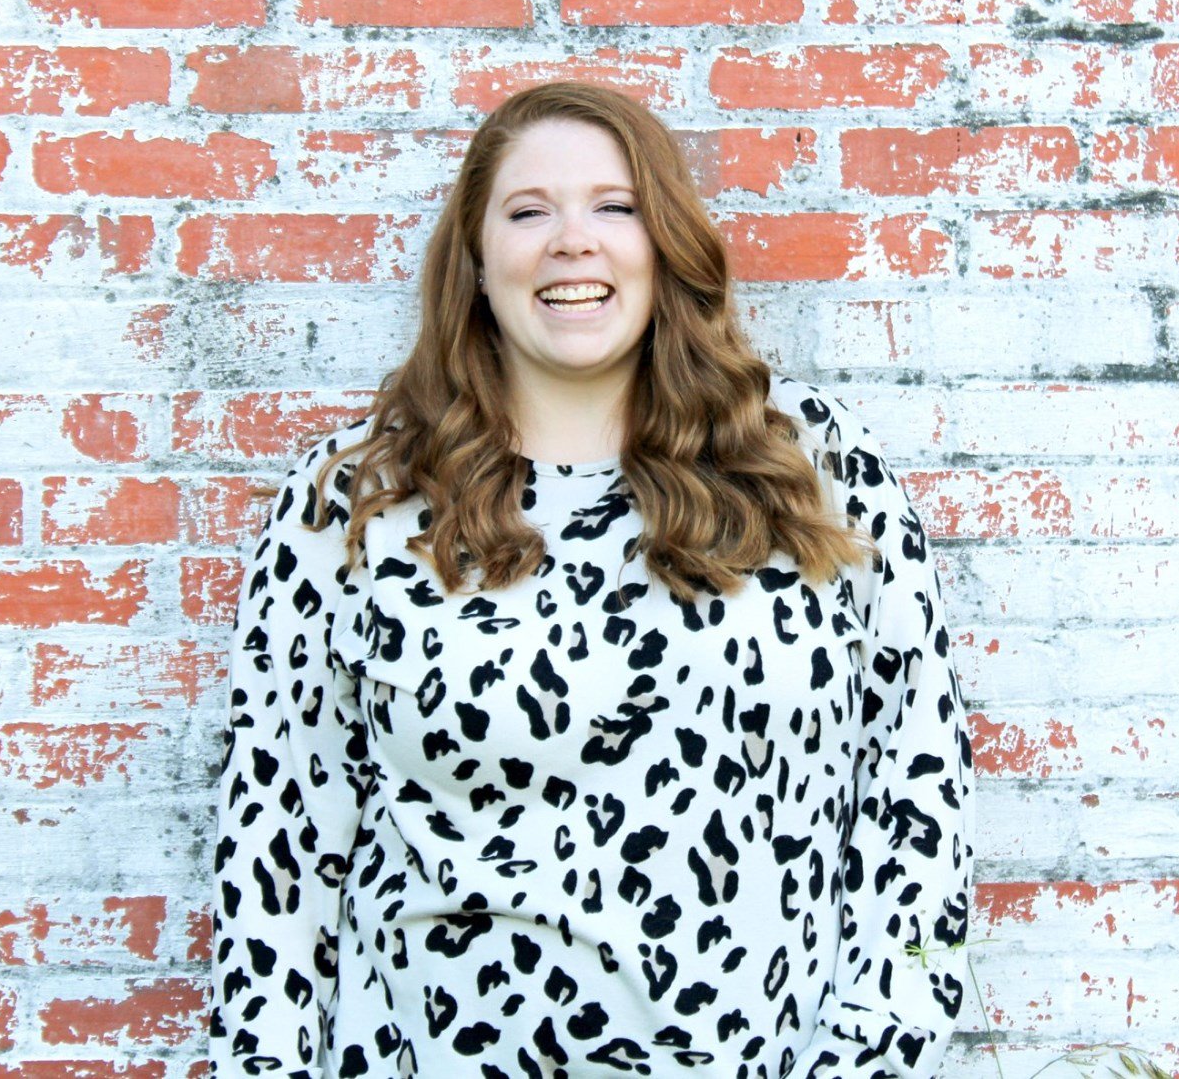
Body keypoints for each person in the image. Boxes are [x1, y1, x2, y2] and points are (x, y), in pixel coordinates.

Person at [210, 81, 973, 1079]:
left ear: (664, 247)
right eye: (528, 211)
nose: (573, 240)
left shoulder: (813, 473)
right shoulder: (359, 500)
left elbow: (916, 820)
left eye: (614, 207)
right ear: (476, 266)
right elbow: (276, 857)